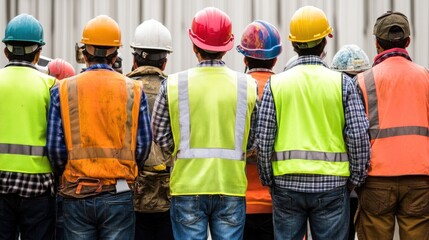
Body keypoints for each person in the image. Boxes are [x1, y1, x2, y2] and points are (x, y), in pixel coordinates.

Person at [257, 5, 370, 240]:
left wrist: (269, 180)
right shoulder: (342, 84)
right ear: (324, 43)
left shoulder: (276, 85)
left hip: (286, 186)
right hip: (332, 186)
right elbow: (358, 135)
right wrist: (355, 179)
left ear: (293, 44)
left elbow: (264, 138)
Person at [152, 7, 258, 240]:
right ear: (227, 46)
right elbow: (252, 140)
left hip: (187, 186)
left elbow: (159, 134)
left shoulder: (173, 84)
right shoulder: (247, 85)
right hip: (230, 185)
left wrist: (179, 151)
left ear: (193, 45)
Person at [46, 15, 152, 240]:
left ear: (84, 53)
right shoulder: (134, 90)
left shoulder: (63, 90)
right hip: (119, 192)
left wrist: (71, 173)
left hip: (76, 192)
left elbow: (55, 150)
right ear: (115, 55)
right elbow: (143, 147)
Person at [355, 11, 429, 240]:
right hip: (420, 178)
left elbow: (355, 134)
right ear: (408, 42)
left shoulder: (362, 80)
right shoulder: (426, 77)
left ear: (376, 43)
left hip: (377, 178)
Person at [0, 13, 56, 239]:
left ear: (6, 50)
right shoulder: (51, 85)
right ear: (38, 52)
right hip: (38, 186)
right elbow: (57, 140)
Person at [126, 19, 174, 240]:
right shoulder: (176, 89)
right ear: (164, 62)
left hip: (129, 193)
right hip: (169, 193)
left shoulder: (122, 88)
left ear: (134, 59)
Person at [236, 19, 282, 240]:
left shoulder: (235, 88)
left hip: (239, 201)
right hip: (278, 201)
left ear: (244, 58)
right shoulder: (285, 87)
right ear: (275, 59)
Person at [331, 44, 371, 240]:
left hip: (336, 181)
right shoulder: (368, 90)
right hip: (360, 180)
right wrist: (357, 178)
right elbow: (360, 136)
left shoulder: (333, 92)